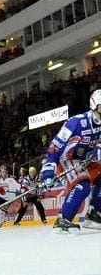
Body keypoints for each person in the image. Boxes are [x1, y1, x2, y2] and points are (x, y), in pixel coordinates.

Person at [40, 89, 101, 232]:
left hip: (87, 159)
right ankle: (63, 220)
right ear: (94, 106)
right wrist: (49, 170)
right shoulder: (76, 122)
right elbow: (56, 145)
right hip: (68, 158)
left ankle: (94, 214)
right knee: (82, 186)